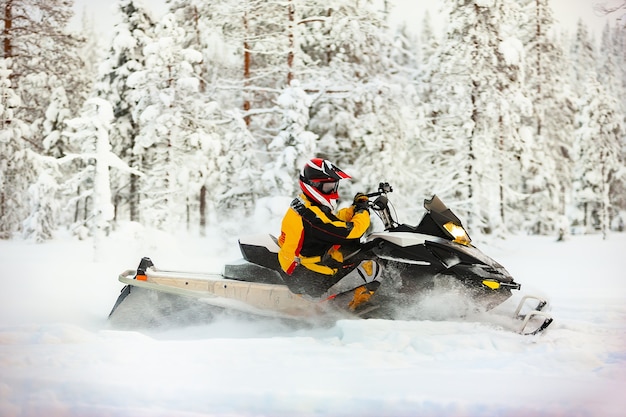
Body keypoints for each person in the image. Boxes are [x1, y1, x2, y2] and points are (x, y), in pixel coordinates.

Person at [277, 158, 381, 309]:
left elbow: (331, 222)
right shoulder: (311, 217)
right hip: (308, 277)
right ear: (313, 185)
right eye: (328, 187)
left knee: (353, 253)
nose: (332, 191)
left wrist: (354, 209)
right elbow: (351, 231)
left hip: (303, 266)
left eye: (334, 186)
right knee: (371, 267)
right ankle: (353, 312)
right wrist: (363, 211)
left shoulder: (306, 204)